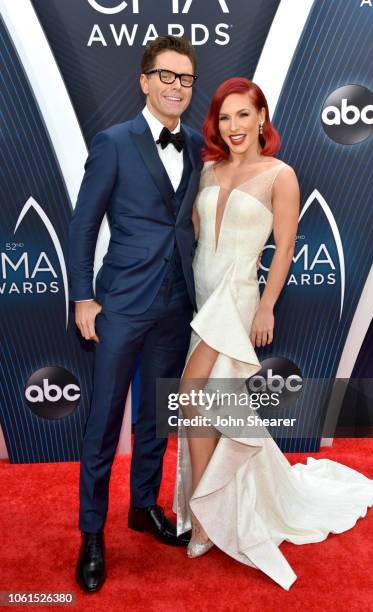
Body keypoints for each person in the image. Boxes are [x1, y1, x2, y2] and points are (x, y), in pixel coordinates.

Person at [174, 77, 373, 590]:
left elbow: (283, 248)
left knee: (190, 397)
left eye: (244, 115)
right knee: (211, 408)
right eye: (225, 118)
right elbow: (196, 241)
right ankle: (211, 508)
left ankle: (202, 516)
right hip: (204, 297)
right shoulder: (205, 170)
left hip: (238, 298)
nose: (234, 127)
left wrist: (266, 305)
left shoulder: (280, 175)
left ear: (262, 117)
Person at [68, 35, 203, 593]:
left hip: (176, 304)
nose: (176, 87)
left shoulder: (197, 143)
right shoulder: (113, 142)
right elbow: (82, 225)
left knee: (155, 419)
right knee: (102, 423)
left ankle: (142, 506)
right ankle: (92, 533)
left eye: (186, 79)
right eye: (166, 76)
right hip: (120, 304)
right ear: (144, 80)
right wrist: (83, 297)